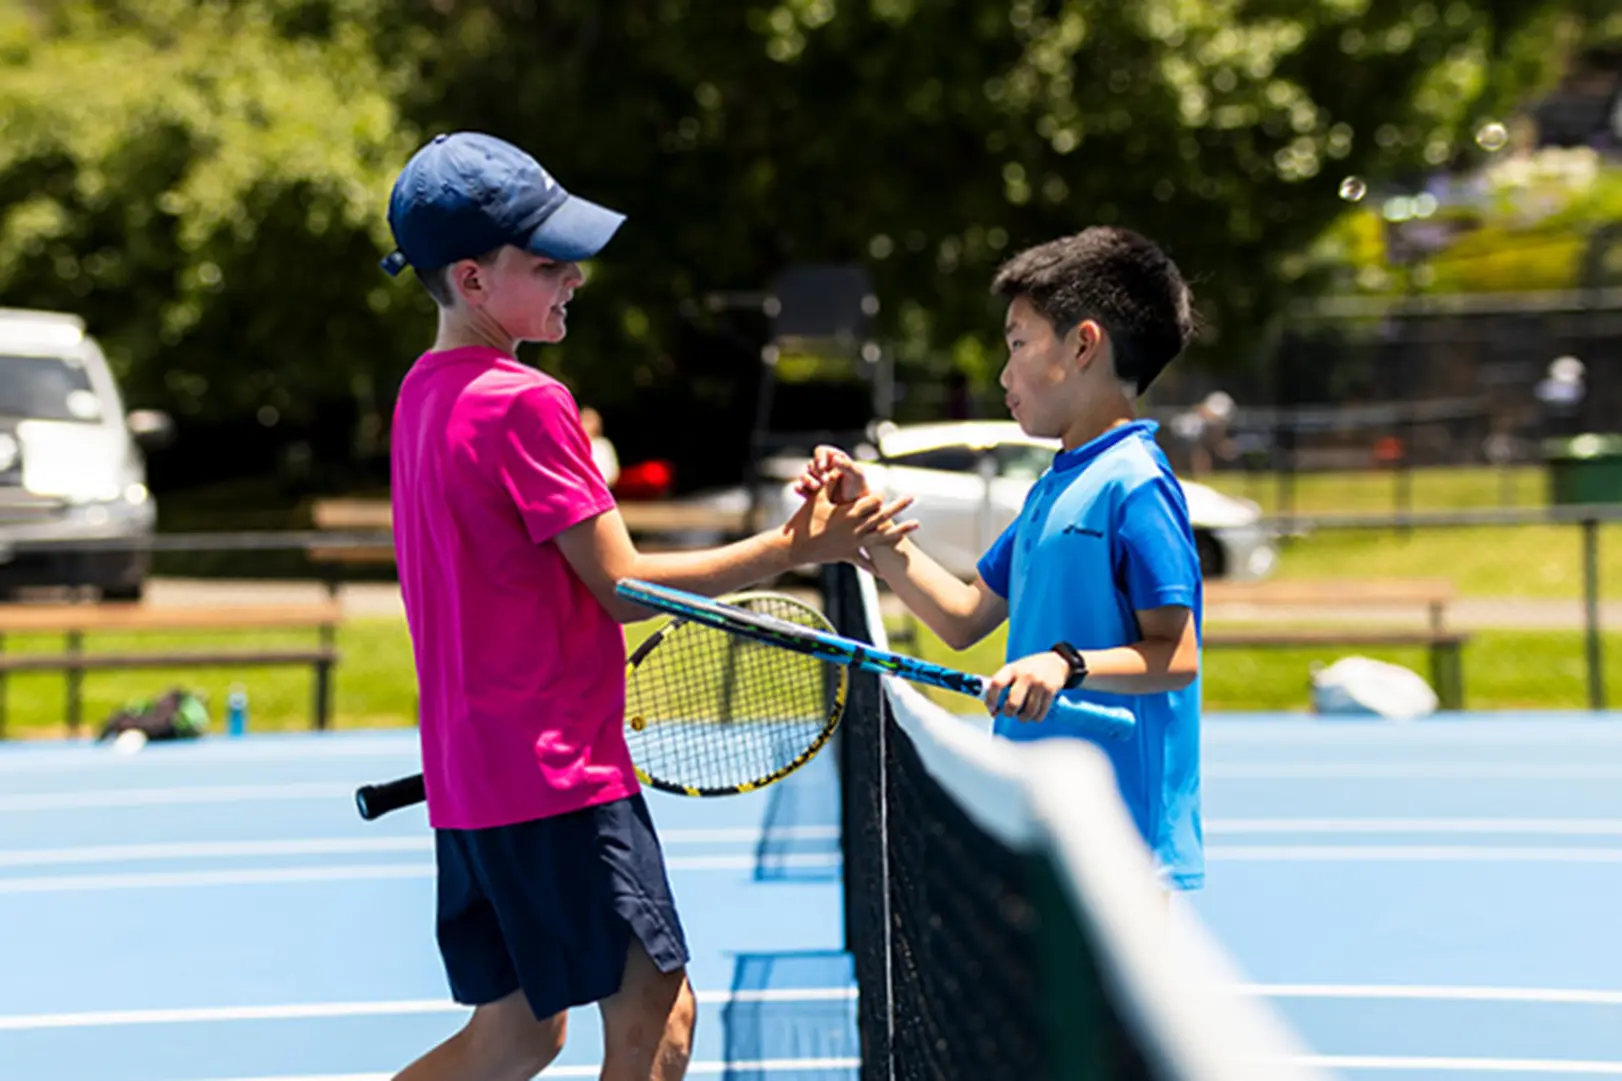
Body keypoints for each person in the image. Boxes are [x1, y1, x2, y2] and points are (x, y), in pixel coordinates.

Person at [379, 131, 915, 1081]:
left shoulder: (422, 394)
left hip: (473, 779)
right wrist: (798, 548)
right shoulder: (525, 402)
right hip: (556, 776)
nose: (573, 276)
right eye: (546, 263)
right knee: (658, 1025)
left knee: (514, 1036)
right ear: (469, 278)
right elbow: (623, 587)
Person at [798, 226, 1206, 895]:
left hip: (1122, 838)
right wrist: (871, 528)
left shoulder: (1136, 483)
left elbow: (1177, 655)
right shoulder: (1052, 487)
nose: (1003, 373)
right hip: (1041, 815)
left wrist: (1065, 664)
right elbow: (962, 617)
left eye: (1018, 344)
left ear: (1082, 345)